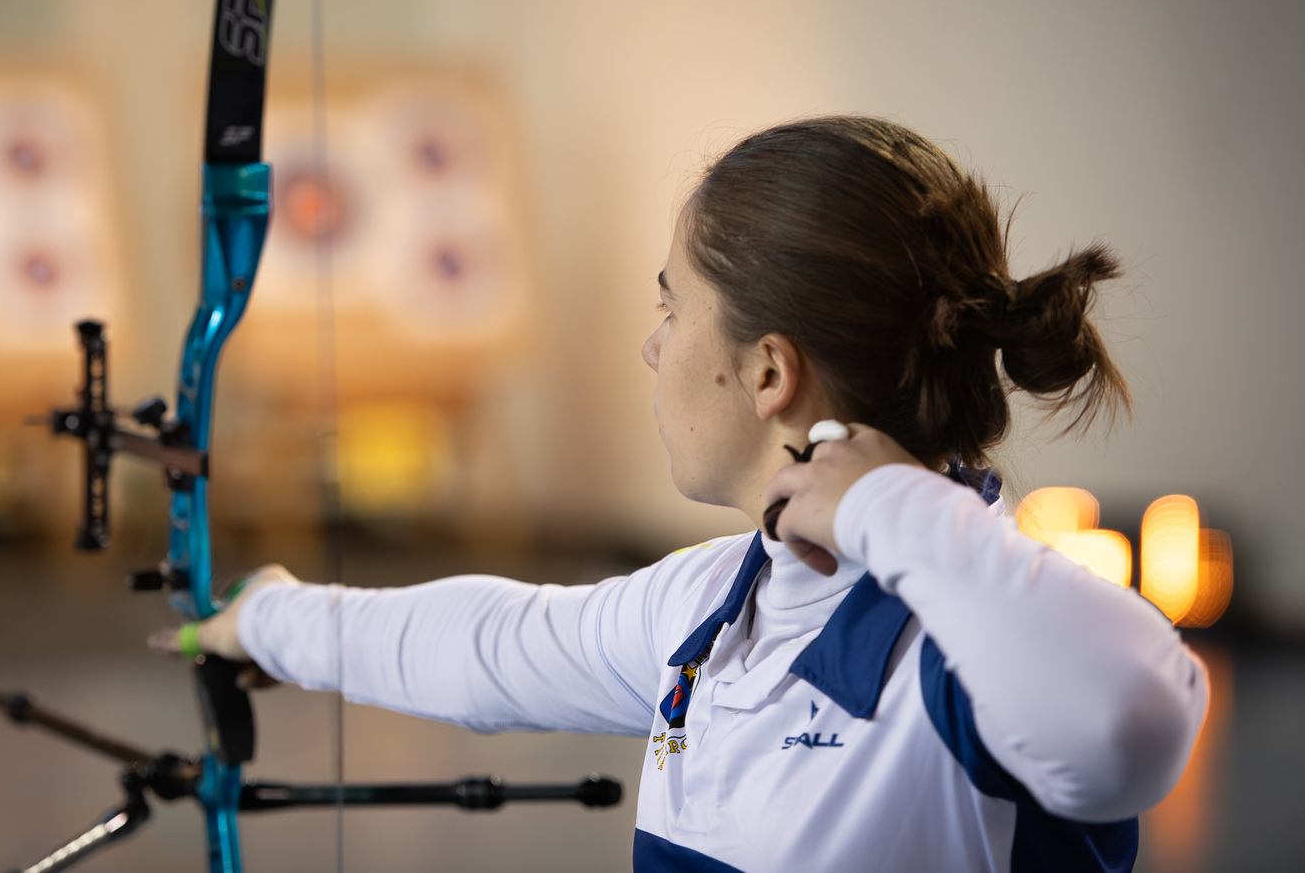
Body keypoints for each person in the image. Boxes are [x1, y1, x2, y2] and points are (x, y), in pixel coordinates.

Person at [157, 116, 1208, 872]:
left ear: (768, 371)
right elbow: (486, 643)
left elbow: (1134, 715)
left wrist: (886, 505)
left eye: (672, 308)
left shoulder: (958, 654)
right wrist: (273, 620)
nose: (651, 347)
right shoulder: (712, 607)